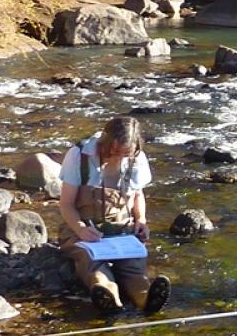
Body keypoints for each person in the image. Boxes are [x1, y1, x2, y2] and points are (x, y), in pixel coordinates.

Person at [58, 116, 170, 314]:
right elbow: (66, 204)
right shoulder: (79, 156)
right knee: (91, 262)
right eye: (114, 151)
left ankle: (146, 298)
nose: (118, 157)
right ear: (105, 141)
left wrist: (141, 220)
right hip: (83, 228)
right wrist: (81, 229)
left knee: (134, 265)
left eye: (125, 154)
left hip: (122, 230)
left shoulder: (137, 158)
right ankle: (108, 297)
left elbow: (138, 194)